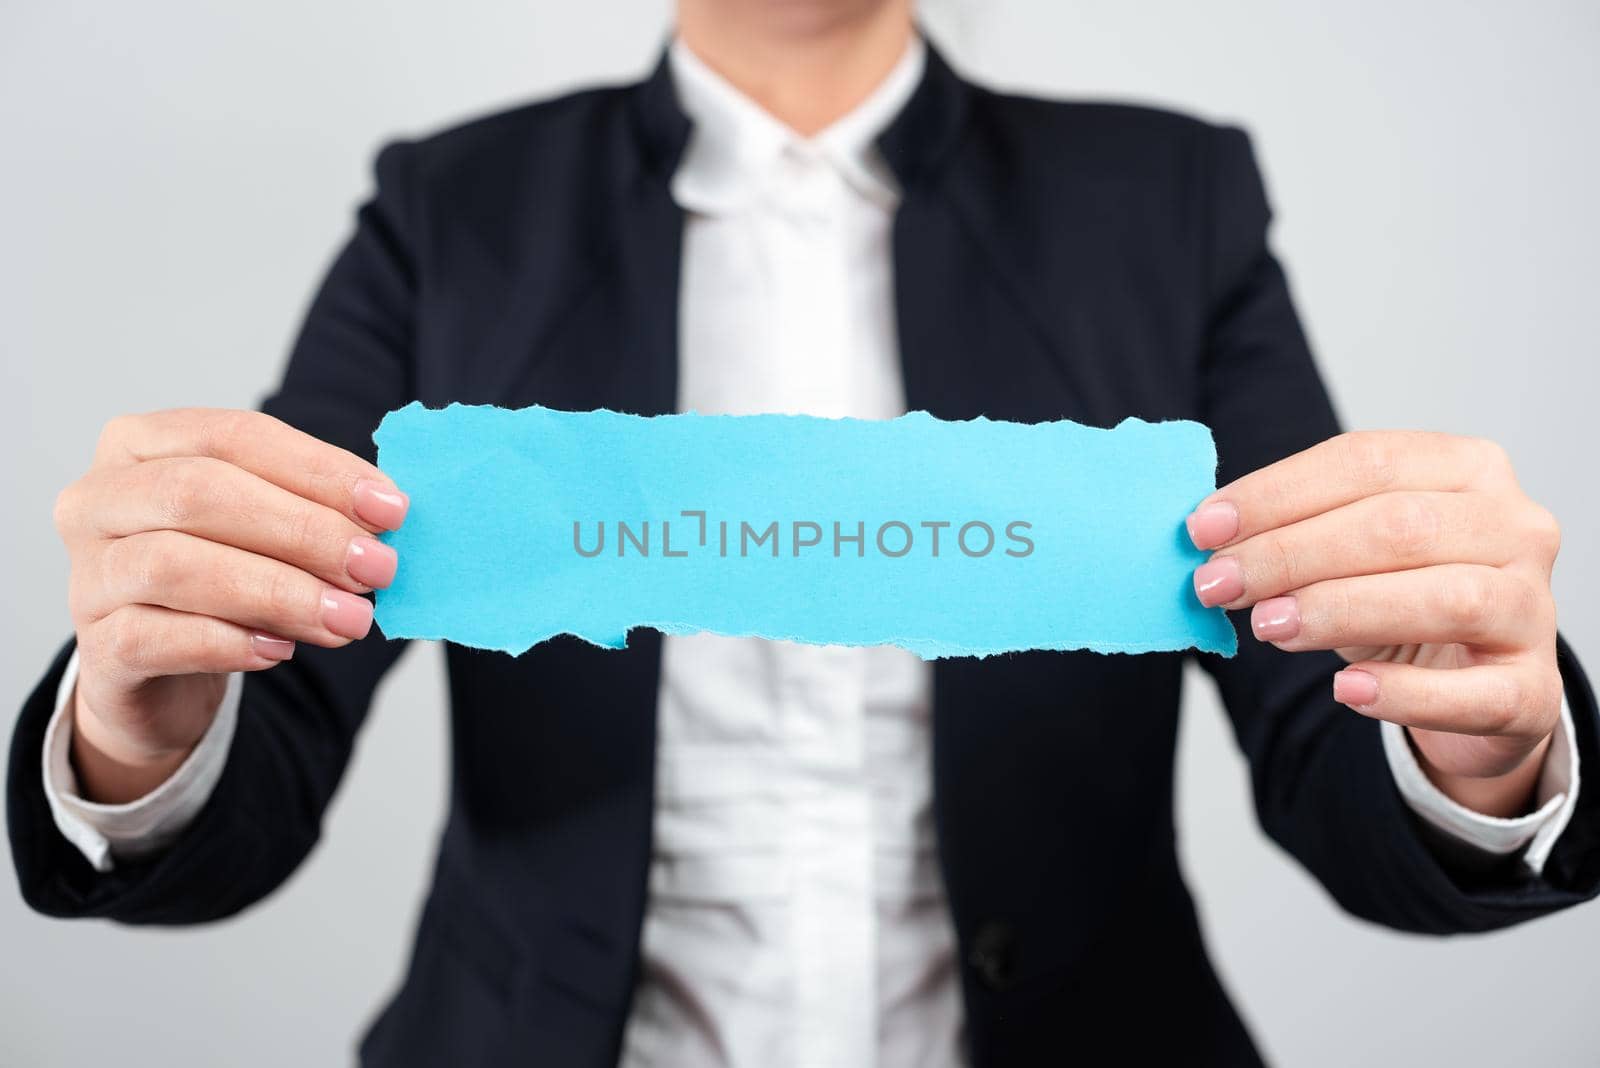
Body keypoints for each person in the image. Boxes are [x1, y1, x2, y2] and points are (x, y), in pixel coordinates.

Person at [10, 1, 1599, 1065]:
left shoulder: (1168, 203)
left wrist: (1475, 753)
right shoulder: (452, 214)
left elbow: (1333, 733)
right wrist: (139, 729)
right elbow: (254, 749)